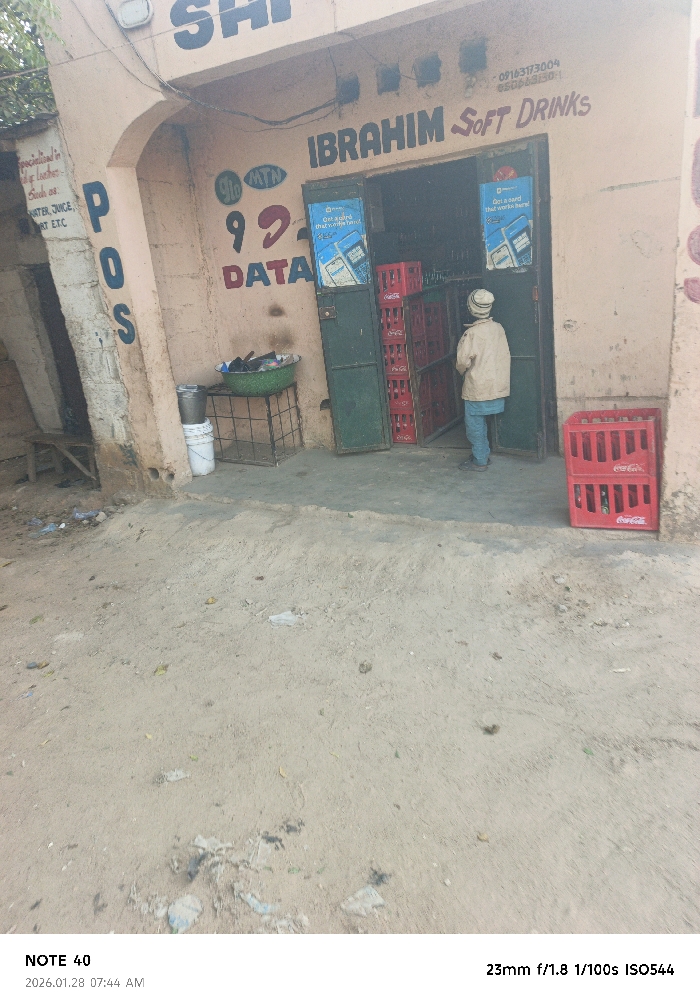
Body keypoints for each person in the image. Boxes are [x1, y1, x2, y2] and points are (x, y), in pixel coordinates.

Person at [455, 288, 511, 472]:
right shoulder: (499, 328)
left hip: (478, 387)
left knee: (475, 426)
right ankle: (483, 454)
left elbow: (462, 362)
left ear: (470, 308)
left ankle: (480, 461)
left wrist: (461, 372)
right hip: (497, 385)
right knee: (482, 424)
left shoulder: (472, 333)